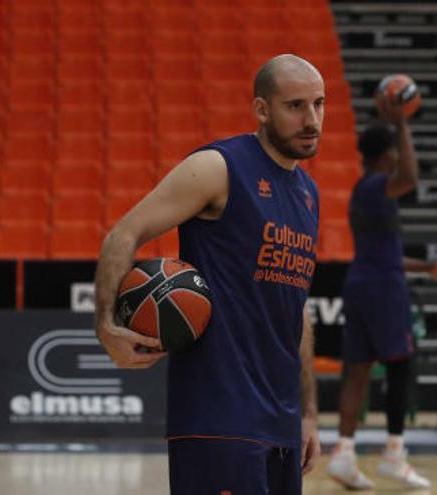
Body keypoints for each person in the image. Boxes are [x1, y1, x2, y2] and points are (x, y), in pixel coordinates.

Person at [94, 54, 324, 494]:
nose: (311, 118)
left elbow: (296, 310)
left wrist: (309, 412)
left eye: (318, 104)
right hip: (218, 418)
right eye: (295, 106)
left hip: (281, 422)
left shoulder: (308, 193)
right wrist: (106, 325)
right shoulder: (219, 167)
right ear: (262, 110)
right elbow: (125, 233)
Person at [327, 98, 437, 490]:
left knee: (357, 372)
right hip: (382, 290)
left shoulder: (365, 190)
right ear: (386, 154)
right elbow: (411, 176)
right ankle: (394, 454)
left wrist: (426, 267)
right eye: (395, 150)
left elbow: (387, 254)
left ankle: (343, 454)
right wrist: (402, 124)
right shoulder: (378, 186)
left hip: (362, 283)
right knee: (400, 366)